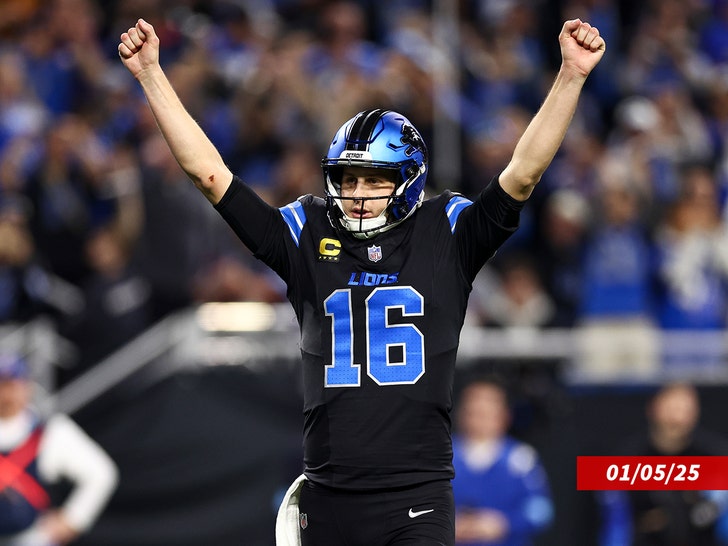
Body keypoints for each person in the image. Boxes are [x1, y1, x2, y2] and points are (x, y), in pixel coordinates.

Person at [118, 15, 605, 545]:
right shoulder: (307, 233)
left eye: (374, 179)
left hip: (415, 493)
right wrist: (150, 75)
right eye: (349, 178)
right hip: (330, 491)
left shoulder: (447, 231)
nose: (357, 192)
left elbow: (523, 172)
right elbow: (210, 175)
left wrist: (571, 77)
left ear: (408, 180)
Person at [0, 354, 118, 546]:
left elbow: (101, 473)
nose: (5, 393)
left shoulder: (49, 431)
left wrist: (73, 519)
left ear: (26, 386)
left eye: (11, 384)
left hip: (28, 537)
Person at [598, 382, 728, 546]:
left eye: (685, 410)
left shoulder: (716, 458)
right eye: (671, 409)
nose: (677, 418)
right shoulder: (625, 461)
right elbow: (616, 528)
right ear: (653, 408)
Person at [452, 377, 553, 546]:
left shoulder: (520, 459)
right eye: (474, 412)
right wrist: (448, 524)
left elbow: (541, 510)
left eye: (486, 413)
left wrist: (504, 523)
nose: (480, 420)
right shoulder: (440, 456)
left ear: (504, 416)